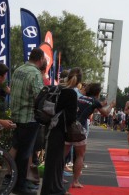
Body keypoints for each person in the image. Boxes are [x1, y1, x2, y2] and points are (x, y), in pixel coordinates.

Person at [64, 82, 115, 188]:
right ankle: (75, 181)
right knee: (80, 156)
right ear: (98, 93)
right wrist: (111, 106)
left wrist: (101, 105)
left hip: (68, 126)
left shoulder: (80, 98)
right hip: (79, 129)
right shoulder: (94, 101)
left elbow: (90, 108)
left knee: (63, 155)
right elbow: (105, 113)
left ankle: (58, 178)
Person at [41, 67, 82, 195]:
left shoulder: (56, 88)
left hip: (49, 126)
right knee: (56, 161)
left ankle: (53, 189)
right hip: (59, 129)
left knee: (53, 161)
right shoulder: (71, 93)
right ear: (78, 81)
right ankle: (54, 190)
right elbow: (71, 118)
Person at [10, 48, 45, 194]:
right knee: (24, 154)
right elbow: (39, 97)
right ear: (41, 59)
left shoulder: (18, 69)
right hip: (29, 117)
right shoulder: (35, 73)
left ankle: (12, 181)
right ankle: (20, 186)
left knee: (17, 150)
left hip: (16, 116)